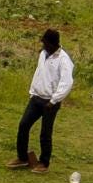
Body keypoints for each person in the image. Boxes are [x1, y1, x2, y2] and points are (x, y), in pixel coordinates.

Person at [9, 29, 74, 174]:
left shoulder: (64, 60)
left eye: (45, 43)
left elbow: (66, 83)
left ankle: (44, 163)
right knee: (23, 125)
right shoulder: (43, 54)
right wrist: (32, 92)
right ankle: (22, 158)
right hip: (36, 98)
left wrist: (54, 101)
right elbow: (38, 73)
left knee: (45, 133)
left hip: (50, 102)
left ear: (53, 43)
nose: (43, 45)